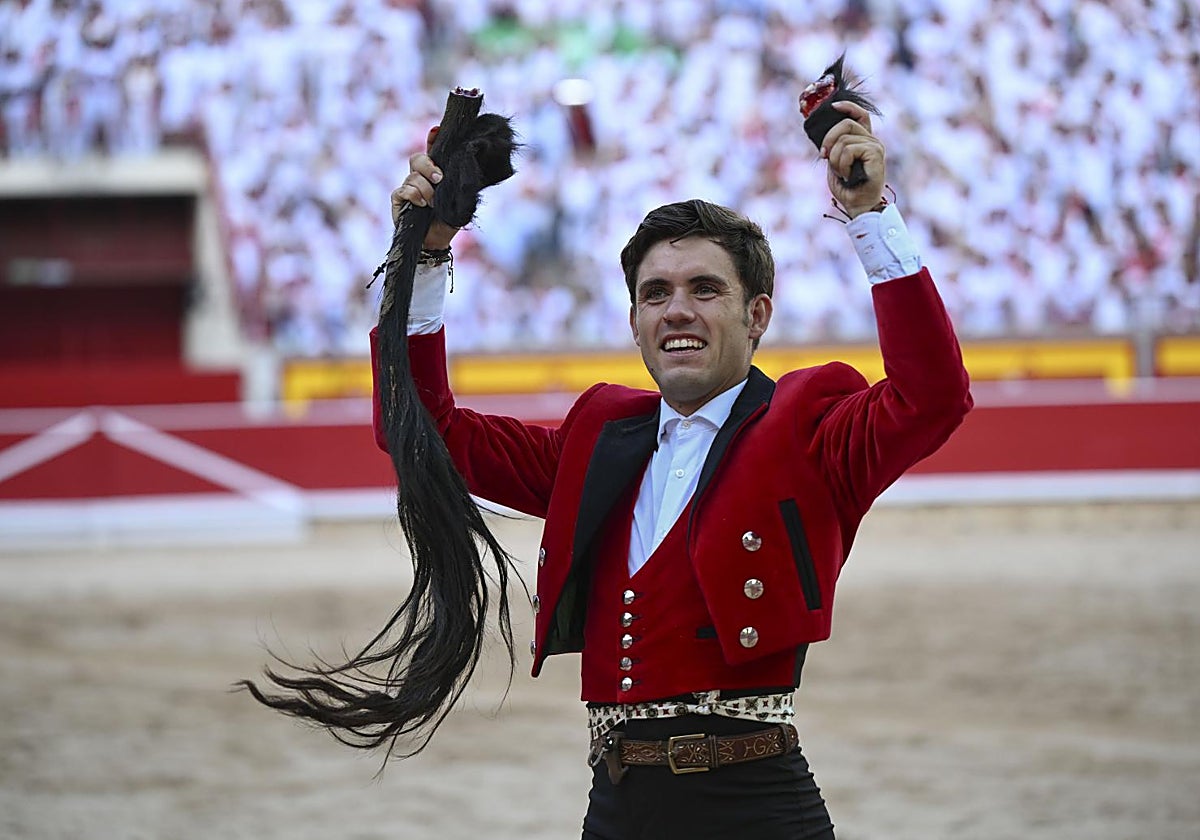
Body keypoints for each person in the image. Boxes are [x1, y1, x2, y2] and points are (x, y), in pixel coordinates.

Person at [372, 100, 972, 839]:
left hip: (756, 809)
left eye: (704, 290)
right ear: (633, 324)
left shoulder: (810, 425)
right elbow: (422, 433)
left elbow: (935, 398)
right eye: (655, 294)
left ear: (757, 316)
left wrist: (869, 215)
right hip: (617, 807)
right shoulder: (599, 438)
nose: (676, 311)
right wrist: (423, 255)